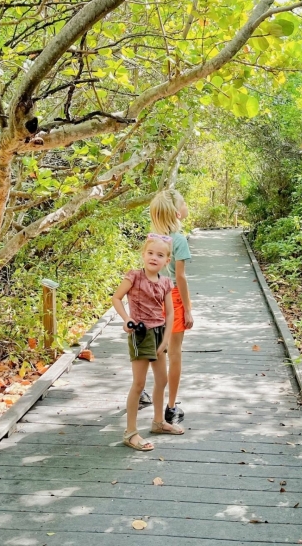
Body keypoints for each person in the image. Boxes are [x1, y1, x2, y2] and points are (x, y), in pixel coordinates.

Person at [112, 233, 184, 451]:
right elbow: (116, 298)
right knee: (139, 383)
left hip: (159, 333)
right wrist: (127, 319)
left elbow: (170, 313)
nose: (154, 257)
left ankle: (158, 422)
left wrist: (165, 340)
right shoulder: (134, 276)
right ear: (143, 254)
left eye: (160, 255)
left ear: (167, 261)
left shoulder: (165, 282)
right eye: (150, 253)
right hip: (141, 334)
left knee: (161, 380)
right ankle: (131, 432)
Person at [149, 189, 193, 425]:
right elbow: (181, 277)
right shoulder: (179, 240)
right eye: (184, 203)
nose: (187, 206)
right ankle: (171, 407)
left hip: (151, 297)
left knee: (153, 349)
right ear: (177, 213)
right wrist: (187, 308)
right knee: (174, 353)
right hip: (173, 297)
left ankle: (144, 391)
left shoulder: (151, 238)